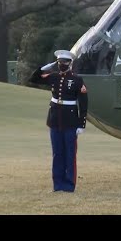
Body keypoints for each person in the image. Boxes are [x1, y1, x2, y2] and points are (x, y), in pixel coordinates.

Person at [28, 50, 88, 192]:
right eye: (60, 62)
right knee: (57, 153)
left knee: (69, 154)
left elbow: (83, 103)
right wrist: (45, 67)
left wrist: (82, 124)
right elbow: (33, 78)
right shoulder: (53, 77)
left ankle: (69, 185)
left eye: (65, 62)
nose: (62, 64)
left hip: (70, 121)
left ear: (70, 63)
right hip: (55, 120)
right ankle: (58, 184)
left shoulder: (77, 80)